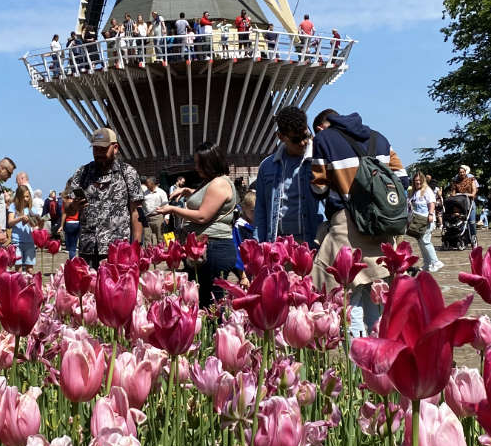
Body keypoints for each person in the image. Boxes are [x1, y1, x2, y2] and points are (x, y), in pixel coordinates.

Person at [309, 109, 406, 333]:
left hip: (346, 226)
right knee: (376, 299)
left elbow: (319, 186)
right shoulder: (379, 138)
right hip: (381, 226)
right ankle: (374, 360)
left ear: (321, 126)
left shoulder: (324, 139)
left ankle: (357, 361)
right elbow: (402, 178)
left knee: (349, 301)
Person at [164, 141, 238, 306]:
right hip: (206, 247)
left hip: (213, 247)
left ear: (210, 163)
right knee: (203, 298)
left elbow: (202, 216)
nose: (196, 167)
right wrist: (188, 191)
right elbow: (208, 198)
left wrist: (172, 210)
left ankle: (218, 331)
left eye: (200, 163)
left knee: (210, 301)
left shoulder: (219, 183)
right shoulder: (211, 181)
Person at [64, 127, 143, 267]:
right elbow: (68, 208)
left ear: (115, 148)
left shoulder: (128, 173)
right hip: (87, 250)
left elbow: (136, 213)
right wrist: (74, 206)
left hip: (118, 251)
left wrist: (136, 248)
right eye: (96, 149)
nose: (99, 153)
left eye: (103, 149)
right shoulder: (82, 173)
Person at [253, 105, 319, 245]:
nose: (303, 143)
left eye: (305, 136)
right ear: (281, 136)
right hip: (279, 243)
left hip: (313, 240)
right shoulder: (267, 166)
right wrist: (259, 243)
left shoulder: (319, 160)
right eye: (296, 140)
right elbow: (261, 209)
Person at [408, 170, 443, 274]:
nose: (417, 182)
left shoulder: (427, 190)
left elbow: (431, 203)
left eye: (419, 180)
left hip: (426, 220)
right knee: (421, 242)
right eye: (415, 180)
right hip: (417, 221)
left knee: (426, 241)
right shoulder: (414, 192)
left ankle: (436, 262)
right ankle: (427, 264)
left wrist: (431, 214)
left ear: (423, 180)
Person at [9, 183, 37, 268]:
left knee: (30, 269)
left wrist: (37, 222)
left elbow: (35, 225)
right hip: (17, 241)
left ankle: (29, 281)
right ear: (18, 197)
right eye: (23, 197)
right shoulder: (13, 207)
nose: (25, 199)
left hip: (29, 241)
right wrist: (20, 218)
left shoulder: (31, 209)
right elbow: (10, 222)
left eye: (27, 197)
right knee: (18, 268)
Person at [452, 165, 479, 247]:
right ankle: (464, 238)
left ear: (465, 172)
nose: (461, 173)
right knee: (462, 221)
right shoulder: (455, 181)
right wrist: (456, 195)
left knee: (471, 221)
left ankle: (473, 236)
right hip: (460, 203)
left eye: (463, 172)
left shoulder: (471, 179)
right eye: (460, 172)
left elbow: (474, 191)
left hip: (470, 201)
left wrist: (469, 194)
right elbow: (453, 193)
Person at [142, 176, 168, 248]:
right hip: (147, 218)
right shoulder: (144, 193)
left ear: (153, 183)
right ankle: (149, 254)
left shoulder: (161, 192)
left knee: (160, 237)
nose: (146, 184)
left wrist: (167, 217)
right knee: (147, 238)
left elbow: (166, 205)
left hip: (158, 217)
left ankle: (161, 253)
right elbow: (142, 205)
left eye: (148, 183)